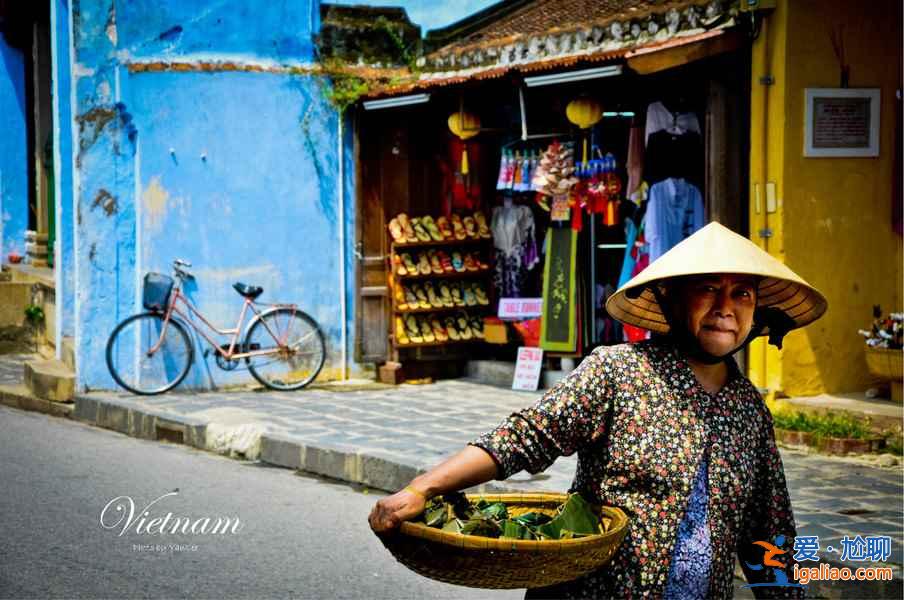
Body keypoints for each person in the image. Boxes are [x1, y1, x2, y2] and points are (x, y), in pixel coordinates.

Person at [369, 222, 827, 599]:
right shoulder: (620, 371)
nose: (725, 308)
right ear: (671, 297)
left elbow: (769, 529)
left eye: (742, 294)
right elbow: (526, 437)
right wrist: (423, 487)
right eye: (708, 289)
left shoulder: (749, 409)